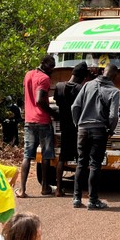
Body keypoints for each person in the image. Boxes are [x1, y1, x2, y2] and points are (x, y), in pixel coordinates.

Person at [71, 63, 120, 210]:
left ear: (103, 72)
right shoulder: (114, 91)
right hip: (99, 130)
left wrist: (78, 124)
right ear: (114, 76)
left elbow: (75, 107)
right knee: (94, 165)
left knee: (81, 163)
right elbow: (113, 115)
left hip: (82, 129)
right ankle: (93, 201)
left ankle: (76, 198)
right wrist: (110, 129)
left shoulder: (87, 85)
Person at [16, 55, 58, 198]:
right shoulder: (44, 78)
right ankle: (45, 187)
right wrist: (53, 113)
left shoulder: (28, 74)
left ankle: (22, 189)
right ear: (44, 64)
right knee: (46, 155)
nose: (52, 70)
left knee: (27, 155)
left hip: (29, 120)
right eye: (51, 67)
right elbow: (40, 100)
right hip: (42, 120)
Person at [53, 62, 89, 197]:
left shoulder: (59, 86)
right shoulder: (81, 89)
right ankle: (82, 190)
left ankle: (58, 189)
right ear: (83, 77)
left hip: (64, 127)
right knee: (82, 159)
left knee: (62, 158)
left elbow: (57, 103)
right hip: (78, 128)